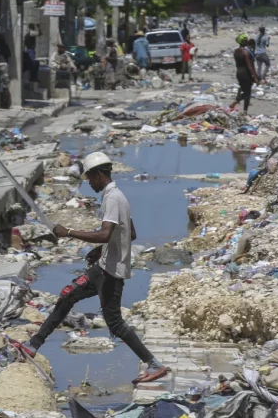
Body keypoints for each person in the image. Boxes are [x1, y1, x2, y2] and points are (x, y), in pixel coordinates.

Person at [10, 152, 169, 385]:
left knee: (114, 323)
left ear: (99, 174)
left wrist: (69, 232)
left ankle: (154, 364)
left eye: (90, 179)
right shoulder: (115, 196)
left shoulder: (113, 198)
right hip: (103, 266)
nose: (89, 184)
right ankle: (34, 345)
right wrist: (100, 250)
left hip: (110, 272)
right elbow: (129, 233)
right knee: (67, 296)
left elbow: (106, 233)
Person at [229, 34, 259, 113]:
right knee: (247, 93)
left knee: (244, 89)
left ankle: (236, 102)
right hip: (246, 73)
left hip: (238, 72)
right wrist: (255, 77)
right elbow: (250, 66)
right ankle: (243, 109)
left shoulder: (236, 51)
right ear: (244, 41)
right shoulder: (245, 52)